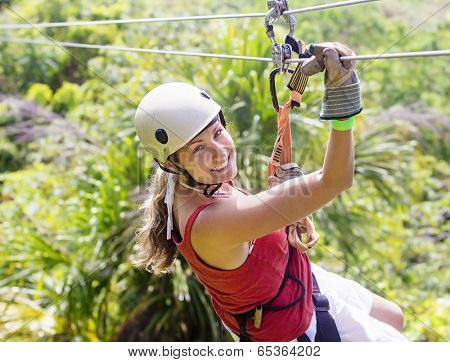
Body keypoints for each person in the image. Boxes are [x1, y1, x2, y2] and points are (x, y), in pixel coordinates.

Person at [132, 42, 407, 342]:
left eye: (217, 132)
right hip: (294, 325)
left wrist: (284, 210)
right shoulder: (209, 224)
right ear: (173, 163)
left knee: (394, 317)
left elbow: (245, 220)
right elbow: (335, 180)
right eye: (198, 148)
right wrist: (343, 104)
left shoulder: (190, 180)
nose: (218, 152)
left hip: (289, 280)